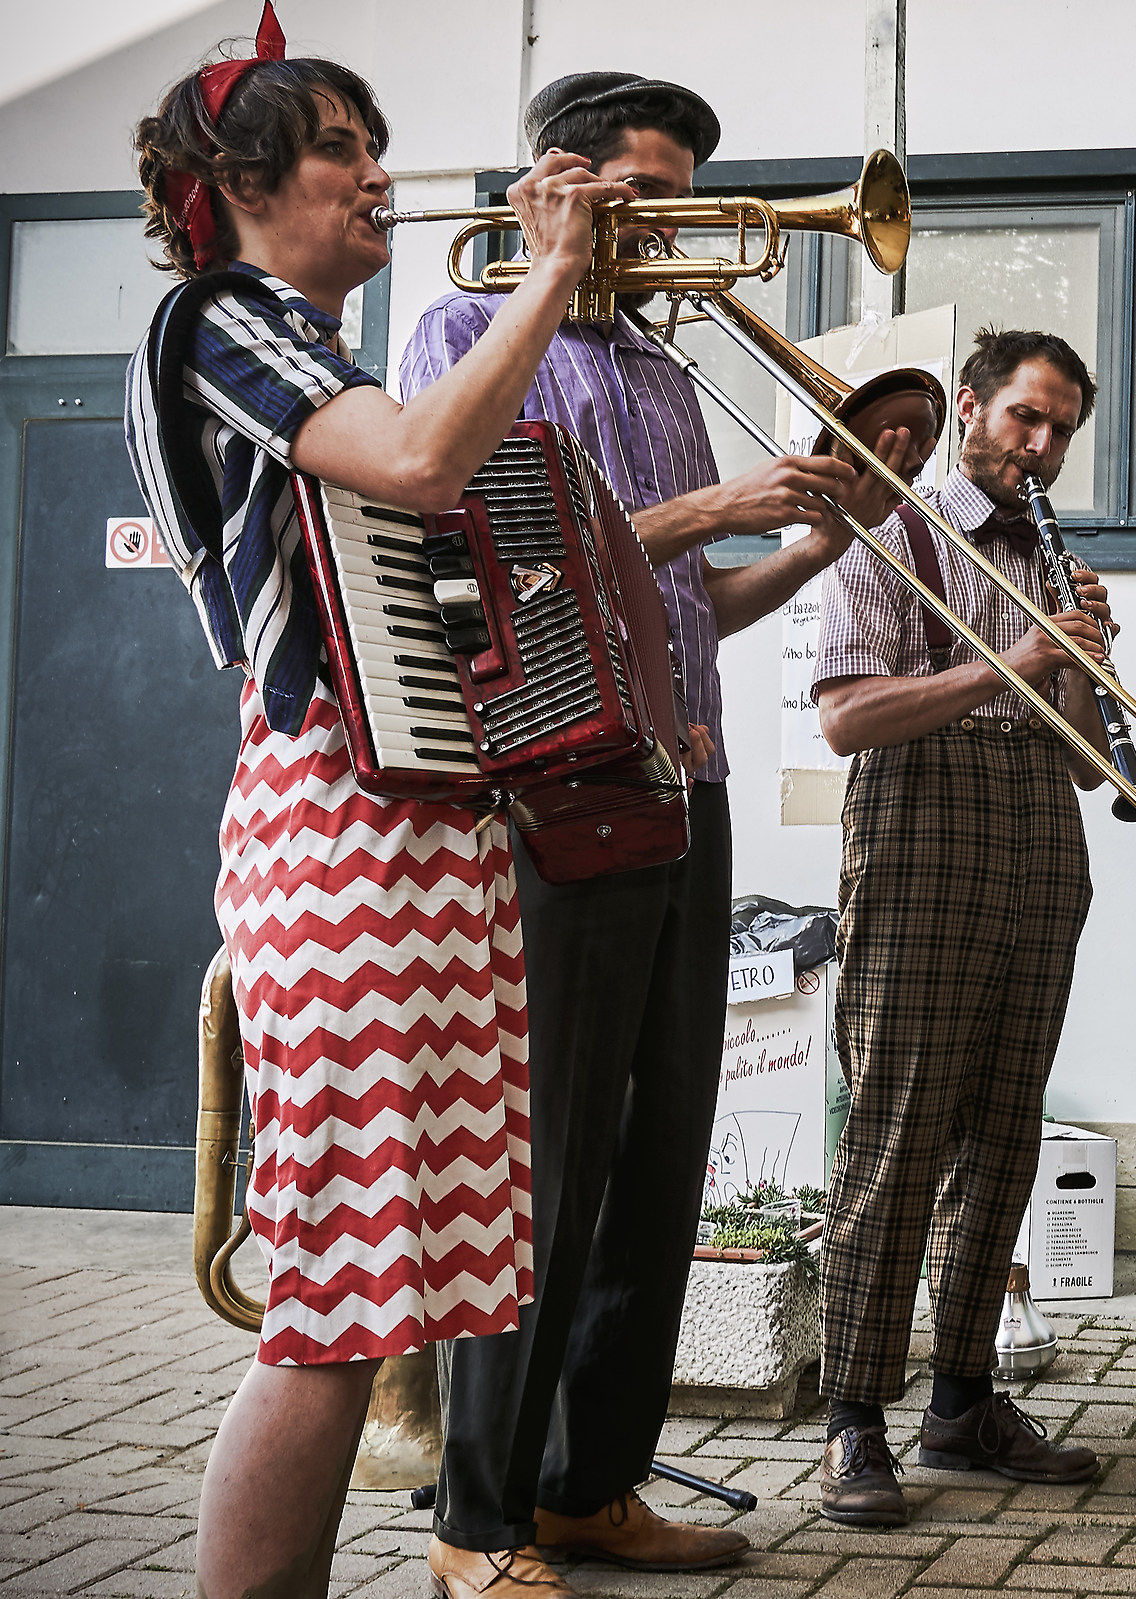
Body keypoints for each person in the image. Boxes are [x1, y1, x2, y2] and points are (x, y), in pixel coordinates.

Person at [391, 74, 934, 1594]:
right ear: (560, 186)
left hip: (686, 783)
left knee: (660, 1155)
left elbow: (697, 603)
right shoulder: (464, 334)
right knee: (545, 1161)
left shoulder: (659, 369)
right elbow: (483, 566)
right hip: (553, 793)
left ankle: (592, 1488)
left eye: (687, 200)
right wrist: (706, 512)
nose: (676, 229)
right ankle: (476, 1520)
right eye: (645, 196)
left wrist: (813, 542)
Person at [122, 9, 634, 1597]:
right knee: (335, 1299)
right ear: (243, 179)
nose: (377, 174)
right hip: (337, 826)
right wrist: (554, 272)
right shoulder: (224, 317)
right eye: (341, 147)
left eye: (370, 145)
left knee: (393, 1284)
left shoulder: (312, 343)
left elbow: (421, 514)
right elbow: (416, 461)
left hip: (416, 824)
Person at [807, 328, 1122, 1528]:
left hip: (1042, 829)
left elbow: (1089, 765)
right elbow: (848, 718)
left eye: (1061, 431)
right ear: (971, 405)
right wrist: (1013, 659)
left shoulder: (1056, 560)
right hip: (921, 818)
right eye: (1025, 418)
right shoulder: (891, 526)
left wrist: (1082, 655)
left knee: (1004, 1130)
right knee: (898, 1130)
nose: (1041, 447)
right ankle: (853, 1417)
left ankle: (962, 1401)